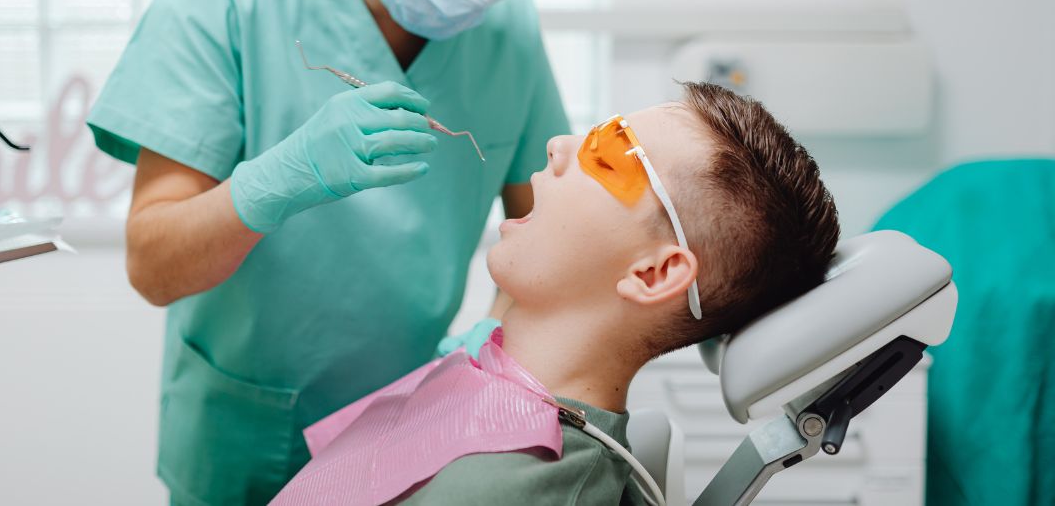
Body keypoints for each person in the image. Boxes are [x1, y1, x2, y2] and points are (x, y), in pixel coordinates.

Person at [86, 0, 568, 504]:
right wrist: (272, 181)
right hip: (244, 432)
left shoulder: (507, 31)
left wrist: (489, 348)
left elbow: (552, 234)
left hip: (415, 427)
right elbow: (153, 264)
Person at [272, 82, 842, 505]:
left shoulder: (510, 488)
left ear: (653, 274)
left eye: (608, 155)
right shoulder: (486, 379)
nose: (557, 146)